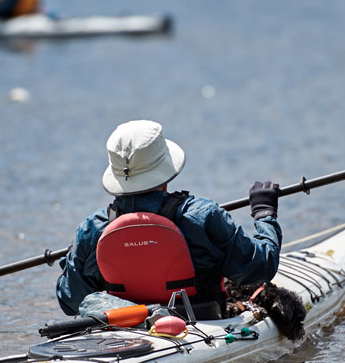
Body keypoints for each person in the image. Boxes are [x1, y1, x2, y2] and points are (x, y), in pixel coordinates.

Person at [56, 120, 282, 318]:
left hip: (127, 325)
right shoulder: (203, 216)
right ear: (165, 169)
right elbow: (260, 268)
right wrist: (264, 214)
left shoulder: (93, 229)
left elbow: (72, 300)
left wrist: (74, 257)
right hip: (202, 322)